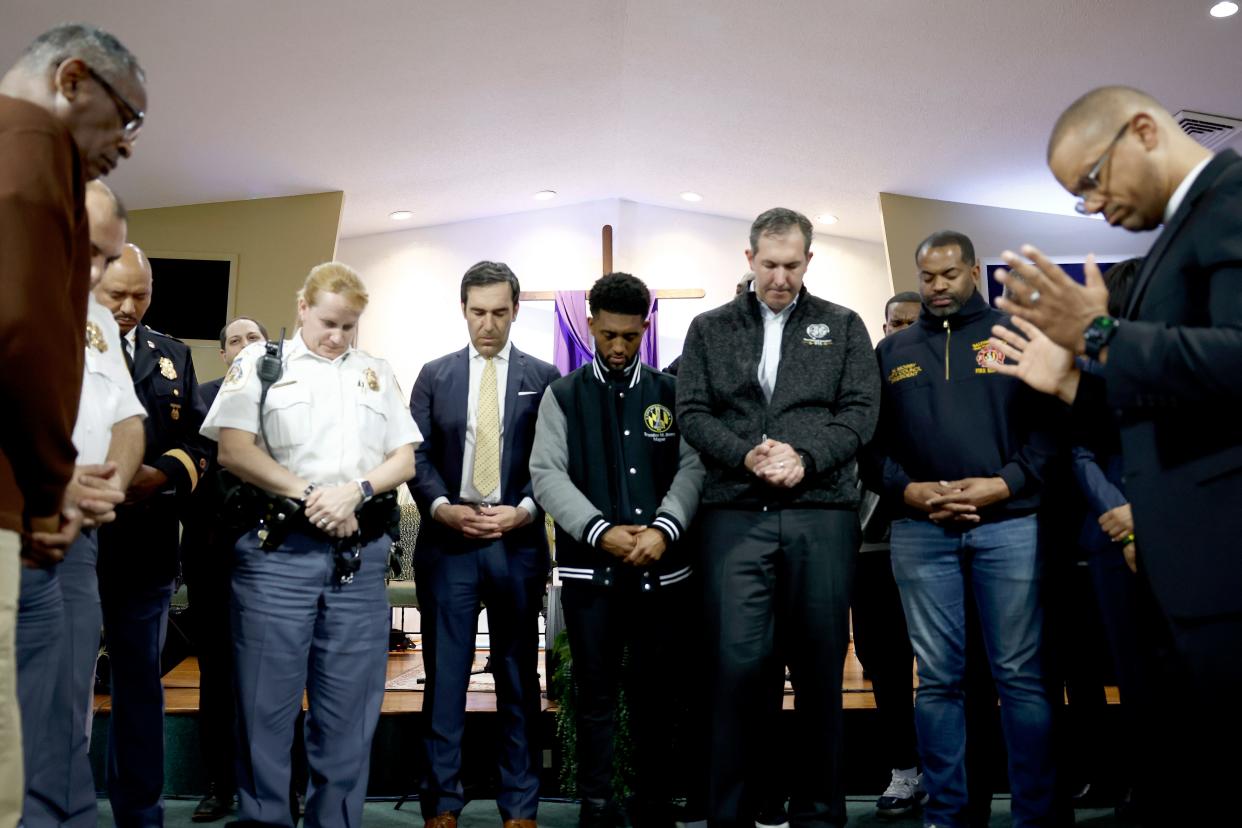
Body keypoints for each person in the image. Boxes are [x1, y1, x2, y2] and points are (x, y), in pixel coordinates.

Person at [985, 85, 1242, 823]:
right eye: (1078, 198)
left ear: (1142, 130)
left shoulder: (1232, 197)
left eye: (1092, 180)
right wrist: (1073, 384)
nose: (1093, 206)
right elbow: (1175, 404)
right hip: (1182, 570)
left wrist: (1097, 338)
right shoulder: (1172, 238)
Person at [676, 208, 879, 828]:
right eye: (769, 264)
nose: (780, 277)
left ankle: (819, 813)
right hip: (736, 514)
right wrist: (747, 454)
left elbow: (861, 411)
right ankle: (734, 813)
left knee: (820, 667)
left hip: (821, 514)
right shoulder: (708, 328)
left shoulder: (842, 326)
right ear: (749, 260)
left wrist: (806, 457)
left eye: (792, 266)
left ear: (809, 262)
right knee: (737, 669)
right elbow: (691, 410)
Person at [202, 261, 421, 827]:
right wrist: (315, 496)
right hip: (278, 556)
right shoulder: (260, 363)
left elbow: (404, 457)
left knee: (349, 715)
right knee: (265, 713)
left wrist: (357, 490)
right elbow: (233, 449)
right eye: (328, 322)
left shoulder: (375, 371)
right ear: (302, 307)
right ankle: (264, 820)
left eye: (350, 326)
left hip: (356, 559)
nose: (337, 336)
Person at [0, 23, 145, 827]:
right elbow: (18, 340)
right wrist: (55, 487)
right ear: (74, 80)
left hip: (59, 526)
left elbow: (125, 418)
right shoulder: (26, 158)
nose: (126, 145)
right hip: (26, 515)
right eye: (127, 119)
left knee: (53, 732)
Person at [864, 230, 1058, 828]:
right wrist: (910, 491)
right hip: (922, 531)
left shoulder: (1016, 334)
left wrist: (1004, 483)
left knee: (1020, 677)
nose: (938, 286)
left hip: (1009, 524)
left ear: (974, 270)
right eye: (928, 277)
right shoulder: (893, 352)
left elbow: (1050, 432)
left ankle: (1036, 815)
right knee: (938, 680)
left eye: (949, 274)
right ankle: (945, 815)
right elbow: (871, 446)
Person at [530, 272, 705, 828]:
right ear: (589, 324)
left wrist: (664, 529)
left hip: (663, 572)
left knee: (658, 695)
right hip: (590, 575)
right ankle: (597, 803)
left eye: (630, 335)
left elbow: (692, 467)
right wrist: (600, 529)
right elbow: (546, 474)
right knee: (595, 695)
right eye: (608, 334)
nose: (619, 346)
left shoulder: (672, 393)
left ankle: (653, 800)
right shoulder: (562, 394)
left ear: (645, 327)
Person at [408, 261, 559, 828]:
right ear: (463, 310)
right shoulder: (434, 375)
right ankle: (442, 803)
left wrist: (524, 511)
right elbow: (415, 453)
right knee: (445, 675)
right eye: (478, 312)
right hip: (450, 543)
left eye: (499, 312)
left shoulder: (544, 377)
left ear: (516, 309)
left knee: (518, 676)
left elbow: (553, 461)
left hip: (515, 543)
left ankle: (520, 806)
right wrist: (443, 507)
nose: (488, 324)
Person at [93, 243, 211, 826]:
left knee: (140, 688)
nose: (129, 307)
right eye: (117, 294)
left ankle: (141, 814)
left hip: (146, 547)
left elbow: (198, 441)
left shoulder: (172, 355)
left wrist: (160, 474)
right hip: (73, 544)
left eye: (140, 295)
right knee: (61, 691)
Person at [182, 316, 269, 823]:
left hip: (276, 554)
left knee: (276, 675)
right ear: (222, 354)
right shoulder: (203, 398)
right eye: (234, 340)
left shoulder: (285, 395)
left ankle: (277, 784)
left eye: (252, 337)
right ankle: (218, 785)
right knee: (215, 673)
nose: (243, 345)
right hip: (213, 554)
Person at [851, 291, 925, 818]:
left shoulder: (938, 383)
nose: (898, 331)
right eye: (892, 322)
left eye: (909, 323)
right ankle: (904, 771)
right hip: (868, 550)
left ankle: (950, 771)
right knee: (886, 666)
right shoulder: (866, 382)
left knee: (947, 668)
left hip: (929, 539)